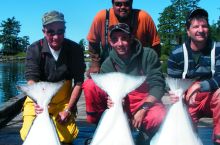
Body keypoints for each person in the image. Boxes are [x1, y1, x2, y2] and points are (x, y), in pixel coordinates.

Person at [84, 23, 166, 141]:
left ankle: (144, 136)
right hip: (122, 103)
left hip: (144, 101)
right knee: (90, 85)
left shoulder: (148, 55)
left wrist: (143, 109)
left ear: (131, 38)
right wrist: (111, 99)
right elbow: (105, 94)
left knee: (158, 116)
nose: (120, 43)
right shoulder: (108, 64)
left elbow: (158, 85)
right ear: (111, 42)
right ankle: (100, 127)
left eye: (124, 38)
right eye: (115, 40)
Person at [20, 10, 86, 144]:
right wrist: (37, 102)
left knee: (67, 137)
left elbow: (79, 82)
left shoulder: (75, 49)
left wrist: (68, 110)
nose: (56, 36)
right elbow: (31, 78)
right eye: (51, 32)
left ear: (65, 30)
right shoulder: (34, 49)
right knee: (27, 134)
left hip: (63, 101)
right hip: (38, 98)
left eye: (60, 31)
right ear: (44, 31)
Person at [167, 8, 220, 145]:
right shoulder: (176, 54)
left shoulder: (218, 49)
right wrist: (173, 94)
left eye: (204, 26)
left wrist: (199, 86)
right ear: (188, 31)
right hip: (187, 99)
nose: (200, 30)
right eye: (196, 26)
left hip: (211, 97)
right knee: (185, 136)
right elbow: (172, 82)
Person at [86, 0, 161, 76]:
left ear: (132, 3)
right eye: (118, 4)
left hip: (138, 68)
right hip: (109, 67)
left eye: (126, 4)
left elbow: (156, 45)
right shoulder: (101, 17)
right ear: (112, 4)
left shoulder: (144, 17)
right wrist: (95, 64)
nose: (122, 7)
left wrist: (151, 66)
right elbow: (93, 42)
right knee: (89, 85)